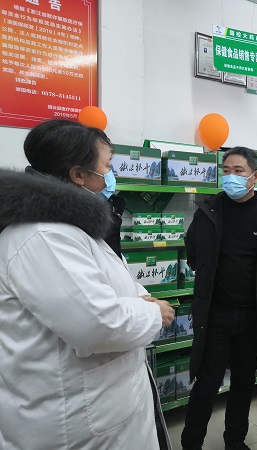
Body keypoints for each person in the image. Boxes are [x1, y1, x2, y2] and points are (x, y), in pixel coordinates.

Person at [0, 119, 175, 449]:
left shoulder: (74, 227)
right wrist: (154, 313)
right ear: (78, 175)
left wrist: (140, 300)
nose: (111, 175)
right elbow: (97, 325)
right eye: (107, 166)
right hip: (74, 421)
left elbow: (113, 284)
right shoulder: (44, 237)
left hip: (104, 403)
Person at [181, 147, 257, 450]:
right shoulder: (208, 211)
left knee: (244, 383)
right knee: (206, 384)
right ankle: (191, 444)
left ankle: (235, 441)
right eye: (226, 170)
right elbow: (193, 253)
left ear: (254, 177)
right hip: (215, 314)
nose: (230, 176)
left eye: (238, 171)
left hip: (254, 316)